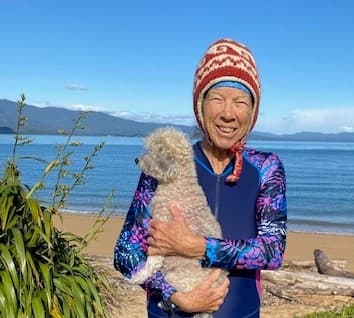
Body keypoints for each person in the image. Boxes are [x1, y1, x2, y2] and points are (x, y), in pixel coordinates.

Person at [114, 38, 287, 318]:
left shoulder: (266, 167)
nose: (228, 113)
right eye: (217, 98)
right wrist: (177, 296)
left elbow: (272, 250)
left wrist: (197, 246)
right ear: (200, 104)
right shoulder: (166, 163)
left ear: (252, 111)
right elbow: (125, 251)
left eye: (241, 101)